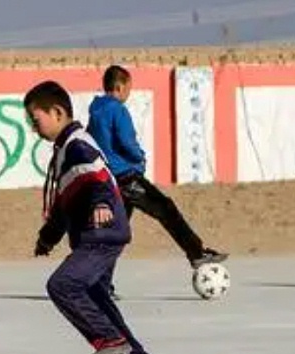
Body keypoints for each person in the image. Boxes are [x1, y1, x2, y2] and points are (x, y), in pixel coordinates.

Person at [24, 80, 154, 354]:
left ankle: (110, 341)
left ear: (57, 112)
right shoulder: (66, 149)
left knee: (63, 285)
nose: (34, 127)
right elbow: (62, 204)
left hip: (102, 232)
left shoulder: (78, 146)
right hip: (102, 233)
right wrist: (47, 237)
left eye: (36, 119)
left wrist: (102, 204)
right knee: (96, 296)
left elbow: (98, 178)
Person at [86, 65, 227, 300]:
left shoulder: (96, 110)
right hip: (126, 177)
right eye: (128, 89)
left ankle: (100, 285)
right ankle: (196, 253)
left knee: (116, 234)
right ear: (119, 87)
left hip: (109, 179)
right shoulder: (117, 109)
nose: (128, 94)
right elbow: (126, 140)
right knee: (166, 209)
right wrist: (138, 157)